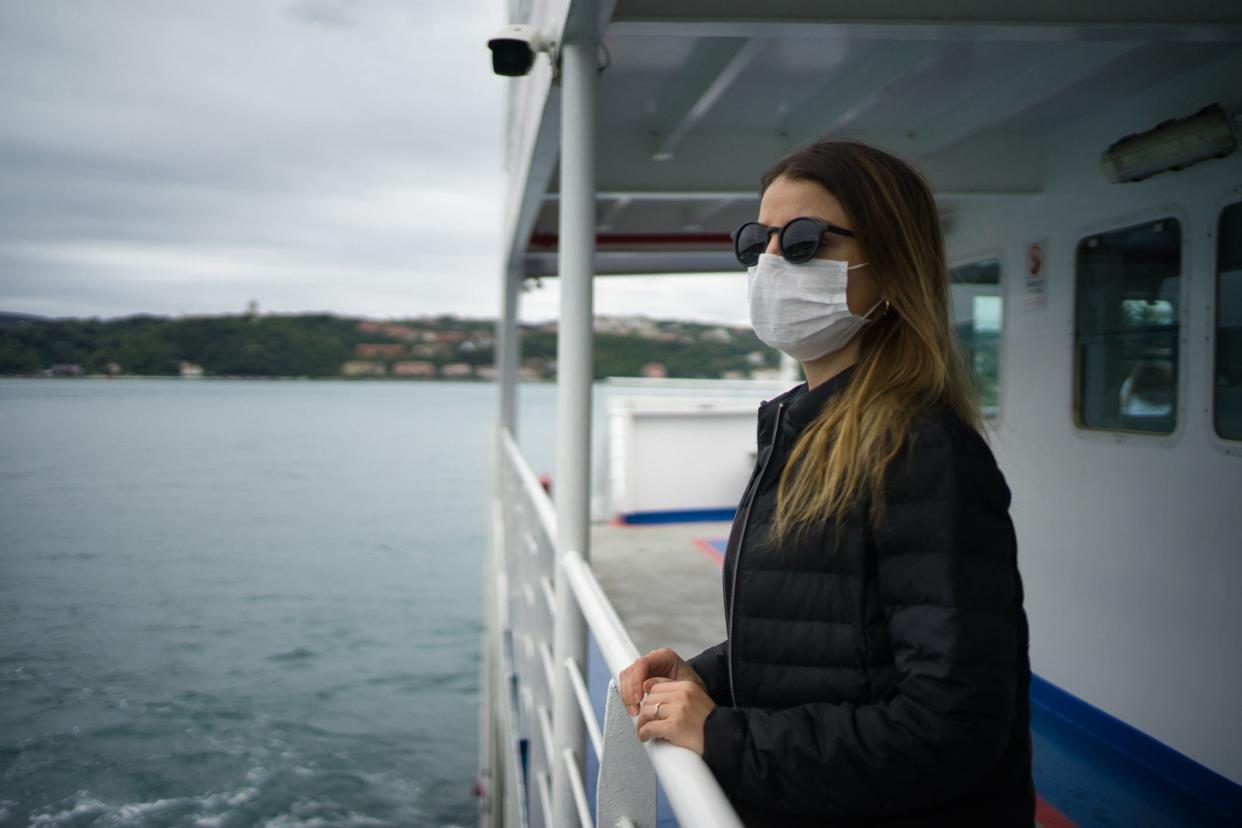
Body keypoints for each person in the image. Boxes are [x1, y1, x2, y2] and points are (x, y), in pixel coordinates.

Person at [618, 139, 1034, 826]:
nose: (774, 262)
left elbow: (951, 730)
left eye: (806, 241)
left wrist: (722, 735)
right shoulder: (805, 428)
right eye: (758, 242)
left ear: (895, 266)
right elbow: (840, 637)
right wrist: (712, 677)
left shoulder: (922, 450)